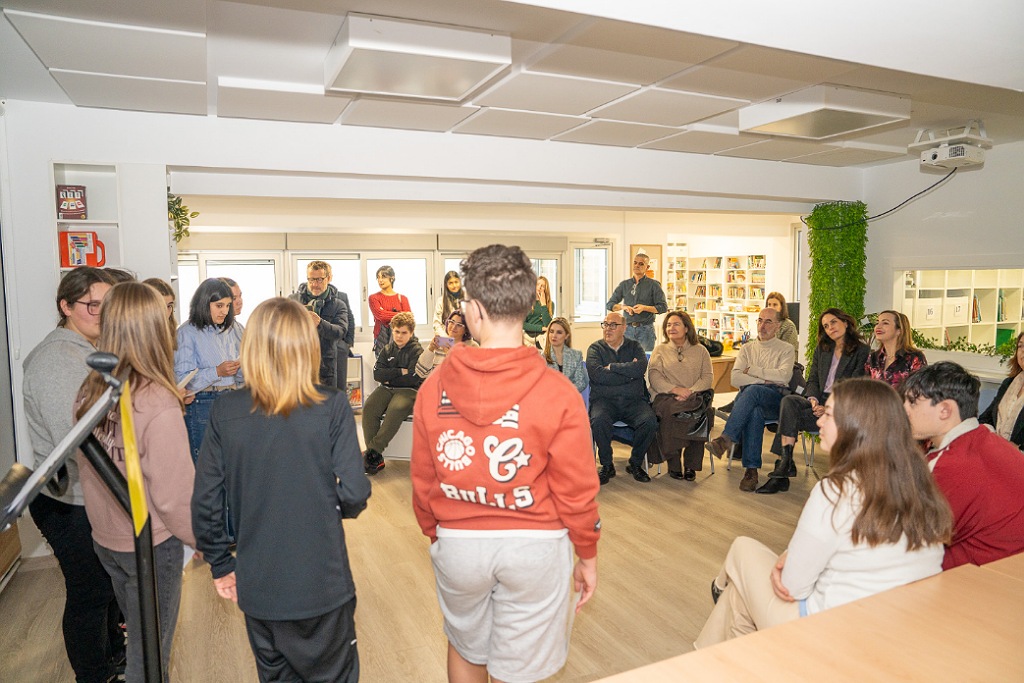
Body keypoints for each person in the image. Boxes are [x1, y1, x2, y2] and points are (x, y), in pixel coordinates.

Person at [410, 244, 600, 683]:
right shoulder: (559, 392)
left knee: (466, 648)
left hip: (459, 543)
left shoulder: (433, 388)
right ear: (529, 304)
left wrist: (437, 534)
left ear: (472, 310)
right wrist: (587, 554)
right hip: (535, 546)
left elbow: (422, 480)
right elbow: (577, 488)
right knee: (520, 669)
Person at [694, 378, 951, 648]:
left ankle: (720, 588)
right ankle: (720, 652)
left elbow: (792, 587)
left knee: (741, 548)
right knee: (738, 599)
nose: (818, 422)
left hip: (828, 631)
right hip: (892, 629)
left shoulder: (835, 491)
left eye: (828, 414)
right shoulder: (920, 484)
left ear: (854, 426)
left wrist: (791, 559)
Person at [192, 298, 371, 683]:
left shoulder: (225, 411)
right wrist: (329, 508)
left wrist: (221, 565)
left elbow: (206, 500)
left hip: (260, 587)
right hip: (323, 582)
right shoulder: (332, 405)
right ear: (308, 346)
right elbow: (355, 491)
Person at [75, 282, 196, 682]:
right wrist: (205, 539)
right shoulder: (156, 400)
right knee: (150, 658)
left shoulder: (91, 388)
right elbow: (175, 496)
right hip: (150, 547)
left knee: (141, 643)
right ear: (154, 329)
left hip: (108, 540)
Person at [23, 267, 125, 683]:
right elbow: (78, 436)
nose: (101, 313)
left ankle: (114, 658)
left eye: (107, 305)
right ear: (65, 306)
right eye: (91, 305)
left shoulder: (86, 349)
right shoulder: (56, 359)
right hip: (66, 500)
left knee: (107, 588)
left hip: (90, 493)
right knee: (91, 593)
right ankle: (94, 674)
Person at [902, 362, 1024, 569]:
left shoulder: (949, 464)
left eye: (912, 402)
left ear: (945, 410)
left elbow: (908, 542)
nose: (904, 409)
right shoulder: (994, 443)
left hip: (976, 578)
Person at [757, 308, 869, 494]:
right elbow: (813, 379)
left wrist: (829, 407)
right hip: (818, 402)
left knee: (789, 418)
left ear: (845, 322)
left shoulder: (862, 351)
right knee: (790, 402)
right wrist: (813, 400)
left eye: (833, 322)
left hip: (843, 407)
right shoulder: (823, 349)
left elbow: (856, 385)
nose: (830, 328)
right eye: (825, 326)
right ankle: (785, 462)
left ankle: (781, 472)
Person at [706, 308, 795, 492]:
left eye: (768, 322)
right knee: (754, 411)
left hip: (776, 400)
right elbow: (735, 379)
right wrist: (765, 379)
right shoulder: (747, 349)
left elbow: (783, 376)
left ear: (778, 326)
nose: (762, 326)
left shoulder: (786, 349)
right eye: (760, 320)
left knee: (752, 390)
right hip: (752, 399)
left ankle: (725, 440)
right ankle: (751, 471)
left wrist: (752, 371)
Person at [175, 278, 243, 464]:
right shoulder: (186, 333)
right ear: (204, 304)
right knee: (206, 464)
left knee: (231, 464)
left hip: (232, 399)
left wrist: (242, 368)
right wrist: (217, 372)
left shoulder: (231, 330)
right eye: (219, 305)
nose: (225, 311)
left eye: (228, 305)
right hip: (202, 403)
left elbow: (238, 375)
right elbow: (182, 381)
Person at [588, 311, 658, 484]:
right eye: (605, 324)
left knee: (649, 421)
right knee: (598, 420)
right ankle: (607, 465)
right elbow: (597, 375)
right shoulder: (595, 349)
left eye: (613, 325)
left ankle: (635, 463)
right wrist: (629, 375)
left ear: (624, 328)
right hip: (604, 401)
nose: (608, 328)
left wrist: (612, 367)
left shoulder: (635, 346)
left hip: (633, 402)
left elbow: (640, 368)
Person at [648, 311, 713, 481]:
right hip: (666, 396)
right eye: (668, 325)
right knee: (672, 412)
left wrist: (690, 391)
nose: (671, 328)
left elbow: (707, 378)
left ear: (686, 328)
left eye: (676, 324)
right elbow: (654, 377)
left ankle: (691, 465)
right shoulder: (660, 350)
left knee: (702, 415)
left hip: (694, 396)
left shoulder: (701, 351)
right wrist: (675, 389)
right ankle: (674, 462)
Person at [362, 311, 422, 474]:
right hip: (386, 389)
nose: (399, 336)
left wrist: (389, 377)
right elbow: (377, 374)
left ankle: (372, 453)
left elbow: (412, 378)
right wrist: (400, 371)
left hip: (409, 391)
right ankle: (376, 460)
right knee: (369, 408)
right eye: (396, 332)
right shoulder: (387, 349)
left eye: (404, 333)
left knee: (395, 408)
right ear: (392, 330)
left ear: (411, 333)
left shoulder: (417, 351)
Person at [289, 260, 350, 387]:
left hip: (325, 366)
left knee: (327, 399)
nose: (314, 284)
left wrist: (320, 323)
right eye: (311, 279)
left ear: (328, 278)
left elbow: (340, 332)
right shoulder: (293, 301)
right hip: (298, 364)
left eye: (319, 280)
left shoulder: (339, 305)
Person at [606, 251, 668, 352]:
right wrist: (623, 307)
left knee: (645, 359)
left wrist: (644, 308)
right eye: (635, 263)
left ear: (647, 267)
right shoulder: (625, 285)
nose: (637, 265)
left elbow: (663, 307)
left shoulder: (654, 285)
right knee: (626, 359)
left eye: (641, 264)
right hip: (627, 330)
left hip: (646, 331)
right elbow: (610, 305)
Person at [978, 331, 1024, 450]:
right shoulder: (1008, 383)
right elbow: (986, 418)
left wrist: (1018, 449)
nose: (1023, 351)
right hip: (995, 450)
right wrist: (991, 437)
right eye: (1020, 346)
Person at [866, 310, 926, 388]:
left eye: (885, 323)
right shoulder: (873, 358)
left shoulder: (914, 358)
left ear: (899, 331)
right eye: (877, 323)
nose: (878, 326)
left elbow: (921, 389)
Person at [415, 309, 476, 379]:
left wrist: (450, 355)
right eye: (452, 322)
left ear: (466, 329)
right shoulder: (440, 342)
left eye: (459, 325)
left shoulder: (472, 347)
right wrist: (430, 349)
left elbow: (467, 377)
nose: (453, 327)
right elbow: (420, 372)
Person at [368, 264, 411, 352]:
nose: (380, 280)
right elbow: (381, 316)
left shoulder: (402, 298)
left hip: (400, 339)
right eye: (378, 277)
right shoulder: (373, 298)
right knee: (382, 360)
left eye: (383, 277)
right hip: (381, 339)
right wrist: (400, 313)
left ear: (392, 278)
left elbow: (408, 318)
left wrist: (386, 312)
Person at [543, 316, 588, 393]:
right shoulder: (540, 358)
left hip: (570, 396)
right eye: (551, 331)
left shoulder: (576, 356)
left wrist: (565, 392)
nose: (554, 336)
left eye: (559, 332)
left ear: (566, 335)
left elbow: (581, 383)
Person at [143, 277, 179, 350]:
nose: (166, 312)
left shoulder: (176, 334)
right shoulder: (133, 336)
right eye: (160, 306)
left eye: (169, 306)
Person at [523, 275, 553, 348]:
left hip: (543, 339)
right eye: (538, 284)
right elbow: (523, 324)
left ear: (546, 289)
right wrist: (541, 328)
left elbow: (547, 324)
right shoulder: (526, 303)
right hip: (527, 338)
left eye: (542, 286)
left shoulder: (550, 304)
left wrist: (543, 304)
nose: (539, 287)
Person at [432, 270, 464, 336]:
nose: (454, 285)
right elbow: (436, 324)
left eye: (456, 282)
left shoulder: (467, 299)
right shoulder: (441, 301)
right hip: (446, 337)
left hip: (464, 338)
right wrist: (446, 338)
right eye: (450, 283)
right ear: (446, 285)